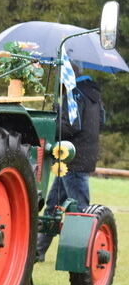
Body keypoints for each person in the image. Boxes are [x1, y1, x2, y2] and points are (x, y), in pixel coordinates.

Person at [36, 70, 105, 261]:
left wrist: (55, 115)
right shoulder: (94, 94)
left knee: (80, 210)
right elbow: (102, 121)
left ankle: (83, 255)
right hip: (81, 158)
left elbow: (70, 126)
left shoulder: (74, 94)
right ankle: (38, 252)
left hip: (72, 158)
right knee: (53, 206)